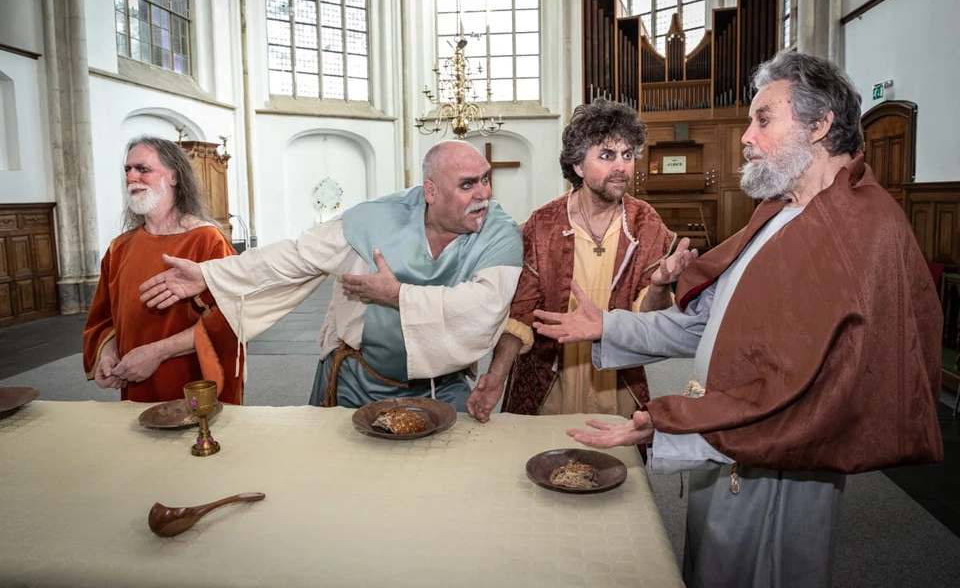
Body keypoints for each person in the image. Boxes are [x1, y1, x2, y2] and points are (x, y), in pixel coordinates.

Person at [534, 52, 943, 587]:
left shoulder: (860, 231)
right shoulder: (784, 210)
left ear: (819, 126)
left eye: (763, 120)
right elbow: (708, 324)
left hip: (779, 469)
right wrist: (608, 327)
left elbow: (827, 394)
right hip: (726, 437)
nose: (746, 137)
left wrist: (675, 428)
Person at [137, 140, 523, 410]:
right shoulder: (374, 220)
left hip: (443, 389)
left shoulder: (500, 234)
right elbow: (296, 256)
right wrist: (211, 274)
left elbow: (482, 309)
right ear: (431, 191)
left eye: (486, 179)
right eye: (468, 184)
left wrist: (395, 294)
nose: (483, 194)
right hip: (357, 382)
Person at [467, 98, 697, 424]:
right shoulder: (543, 224)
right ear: (578, 165)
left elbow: (650, 322)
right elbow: (519, 315)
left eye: (627, 155)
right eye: (606, 155)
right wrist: (495, 378)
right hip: (549, 379)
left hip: (615, 381)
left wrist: (659, 287)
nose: (621, 166)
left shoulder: (646, 223)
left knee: (613, 465)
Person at [83, 136, 242, 404]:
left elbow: (232, 319)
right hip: (136, 382)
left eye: (143, 169)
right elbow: (103, 320)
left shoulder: (206, 240)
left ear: (173, 177)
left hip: (193, 381)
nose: (132, 177)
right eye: (128, 170)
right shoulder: (118, 249)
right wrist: (109, 354)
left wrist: (157, 352)